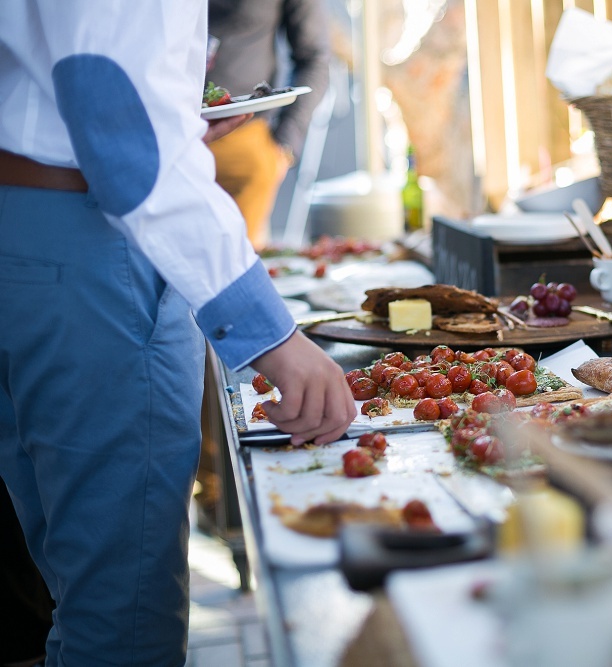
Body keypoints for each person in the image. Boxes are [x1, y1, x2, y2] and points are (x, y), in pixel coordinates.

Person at [0, 3, 356, 665]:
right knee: (122, 622)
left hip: (26, 225)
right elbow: (118, 122)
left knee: (72, 589)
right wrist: (271, 333)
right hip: (92, 242)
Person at [206, 0, 332, 249]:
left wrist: (285, 145)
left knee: (238, 270)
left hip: (244, 147)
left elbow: (314, 58)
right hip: (159, 141)